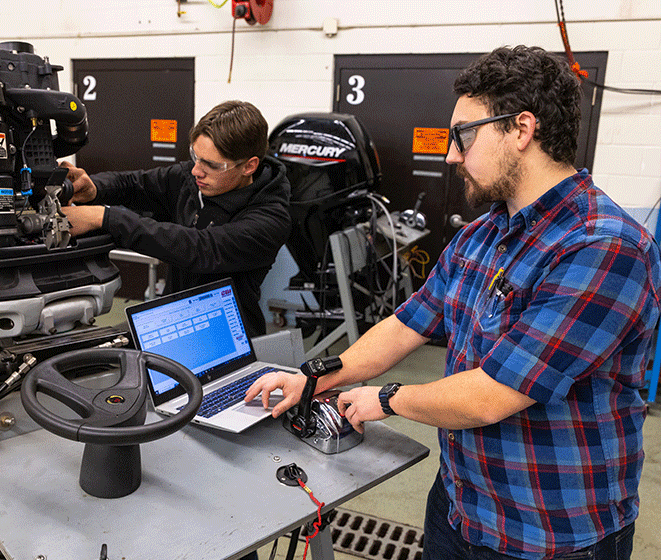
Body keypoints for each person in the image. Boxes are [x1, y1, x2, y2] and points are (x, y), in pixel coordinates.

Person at [245, 46, 660, 560]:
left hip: (550, 534)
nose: (450, 155)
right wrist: (315, 377)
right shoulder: (482, 236)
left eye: (463, 135)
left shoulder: (603, 248)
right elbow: (407, 323)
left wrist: (386, 398)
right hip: (460, 507)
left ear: (521, 130)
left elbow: (494, 395)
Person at [60, 100, 291, 338]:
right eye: (195, 156)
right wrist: (94, 189)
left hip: (227, 336)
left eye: (211, 164)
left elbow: (200, 249)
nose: (196, 170)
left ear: (249, 166)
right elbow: (135, 184)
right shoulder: (193, 180)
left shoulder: (269, 218)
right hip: (174, 318)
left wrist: (105, 217)